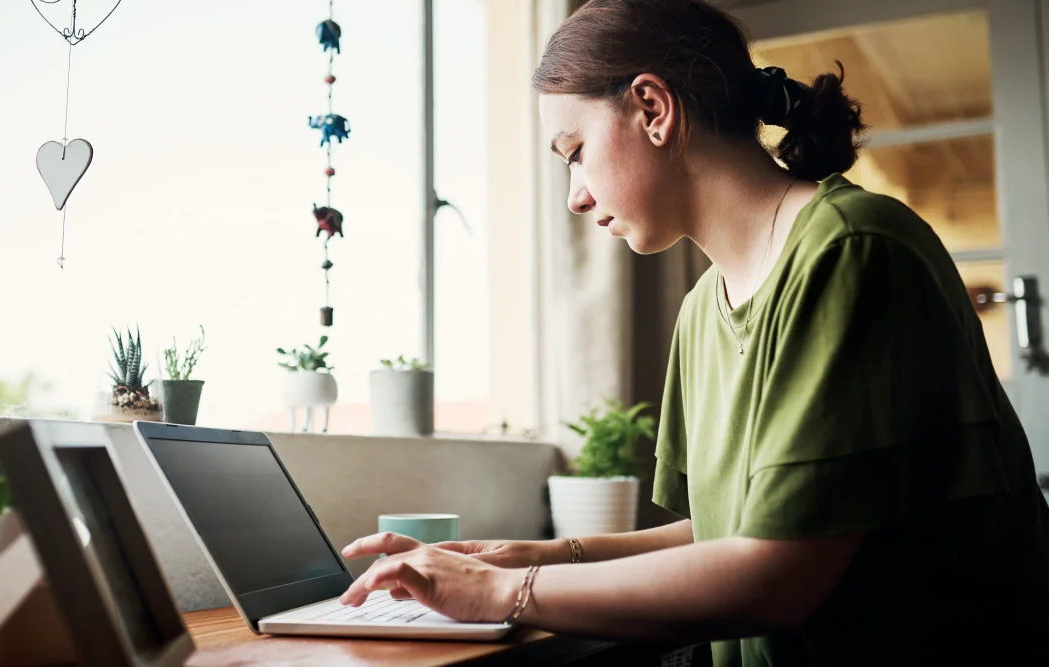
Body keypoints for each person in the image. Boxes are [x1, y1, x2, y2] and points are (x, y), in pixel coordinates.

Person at [337, 1, 1049, 664]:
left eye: (575, 150)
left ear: (653, 107)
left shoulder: (852, 248)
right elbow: (719, 532)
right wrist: (518, 555)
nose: (576, 194)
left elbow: (775, 576)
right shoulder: (702, 308)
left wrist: (499, 593)